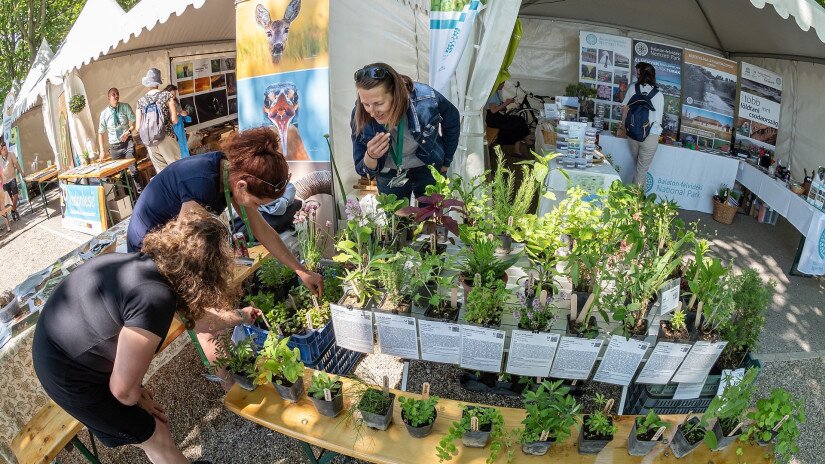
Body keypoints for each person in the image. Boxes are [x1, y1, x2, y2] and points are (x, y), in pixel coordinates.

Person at [33, 209, 255, 463]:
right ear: (203, 276)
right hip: (70, 377)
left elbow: (197, 320)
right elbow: (122, 392)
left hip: (58, 348)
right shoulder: (155, 298)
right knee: (155, 434)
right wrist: (136, 395)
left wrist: (241, 315)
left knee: (152, 427)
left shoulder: (142, 266)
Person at [126, 127, 323, 364]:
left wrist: (300, 270)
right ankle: (232, 387)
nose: (258, 208)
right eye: (258, 202)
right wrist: (216, 308)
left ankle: (233, 375)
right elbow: (185, 257)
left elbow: (262, 230)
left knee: (215, 314)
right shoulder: (201, 185)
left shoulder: (231, 170)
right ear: (241, 186)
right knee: (206, 322)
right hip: (151, 251)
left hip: (176, 242)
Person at [351, 63, 460, 198]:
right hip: (389, 171)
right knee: (396, 218)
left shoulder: (425, 98)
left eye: (379, 104)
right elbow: (363, 170)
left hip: (427, 165)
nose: (372, 112)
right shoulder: (360, 113)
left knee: (430, 216)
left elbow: (452, 119)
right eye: (366, 104)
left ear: (396, 95)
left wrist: (446, 161)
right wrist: (371, 156)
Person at [620, 62, 664, 186]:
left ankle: (640, 199)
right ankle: (634, 203)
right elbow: (658, 121)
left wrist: (624, 129)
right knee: (641, 170)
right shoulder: (659, 95)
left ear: (641, 74)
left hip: (633, 134)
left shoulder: (633, 88)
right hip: (650, 136)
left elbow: (624, 110)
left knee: (639, 169)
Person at [97, 87, 143, 194]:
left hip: (127, 144)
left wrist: (128, 132)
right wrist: (102, 151)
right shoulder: (104, 114)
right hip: (114, 147)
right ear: (108, 97)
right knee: (121, 175)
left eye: (117, 94)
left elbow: (135, 122)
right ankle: (130, 199)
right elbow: (100, 132)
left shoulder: (125, 106)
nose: (116, 96)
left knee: (133, 170)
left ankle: (141, 195)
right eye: (113, 94)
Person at [136, 68, 181, 173]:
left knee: (163, 174)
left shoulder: (140, 101)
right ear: (158, 82)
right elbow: (174, 119)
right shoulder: (166, 95)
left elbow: (138, 127)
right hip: (166, 137)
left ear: (148, 83)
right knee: (177, 169)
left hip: (150, 142)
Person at [485, 82, 531, 152]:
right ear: (498, 84)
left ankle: (518, 149)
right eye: (502, 83)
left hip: (496, 117)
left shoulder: (497, 92)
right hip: (493, 119)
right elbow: (493, 110)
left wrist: (506, 103)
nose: (503, 85)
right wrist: (507, 103)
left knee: (518, 121)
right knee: (519, 120)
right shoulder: (493, 93)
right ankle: (526, 142)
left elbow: (496, 108)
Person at [164, 84, 192, 158]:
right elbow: (171, 116)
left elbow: (180, 112)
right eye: (172, 94)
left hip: (179, 125)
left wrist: (183, 113)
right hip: (174, 126)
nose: (173, 96)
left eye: (175, 94)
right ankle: (183, 159)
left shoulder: (174, 100)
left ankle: (185, 158)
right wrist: (180, 113)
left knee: (182, 143)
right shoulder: (165, 102)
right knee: (178, 144)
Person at [1, 141, 23, 221]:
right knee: (10, 199)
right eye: (3, 149)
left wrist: (21, 172)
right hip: (4, 181)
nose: (5, 150)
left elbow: (16, 164)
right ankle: (14, 212)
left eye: (6, 148)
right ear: (0, 151)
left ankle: (13, 210)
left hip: (12, 178)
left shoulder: (11, 154)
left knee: (16, 195)